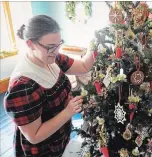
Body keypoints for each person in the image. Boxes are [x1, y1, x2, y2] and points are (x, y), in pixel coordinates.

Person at [4, 15, 96, 157]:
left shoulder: (53, 58)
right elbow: (34, 136)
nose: (57, 51)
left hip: (60, 138)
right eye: (51, 47)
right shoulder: (23, 86)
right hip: (42, 151)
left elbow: (83, 66)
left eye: (59, 44)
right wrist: (68, 112)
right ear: (30, 44)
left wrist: (96, 46)